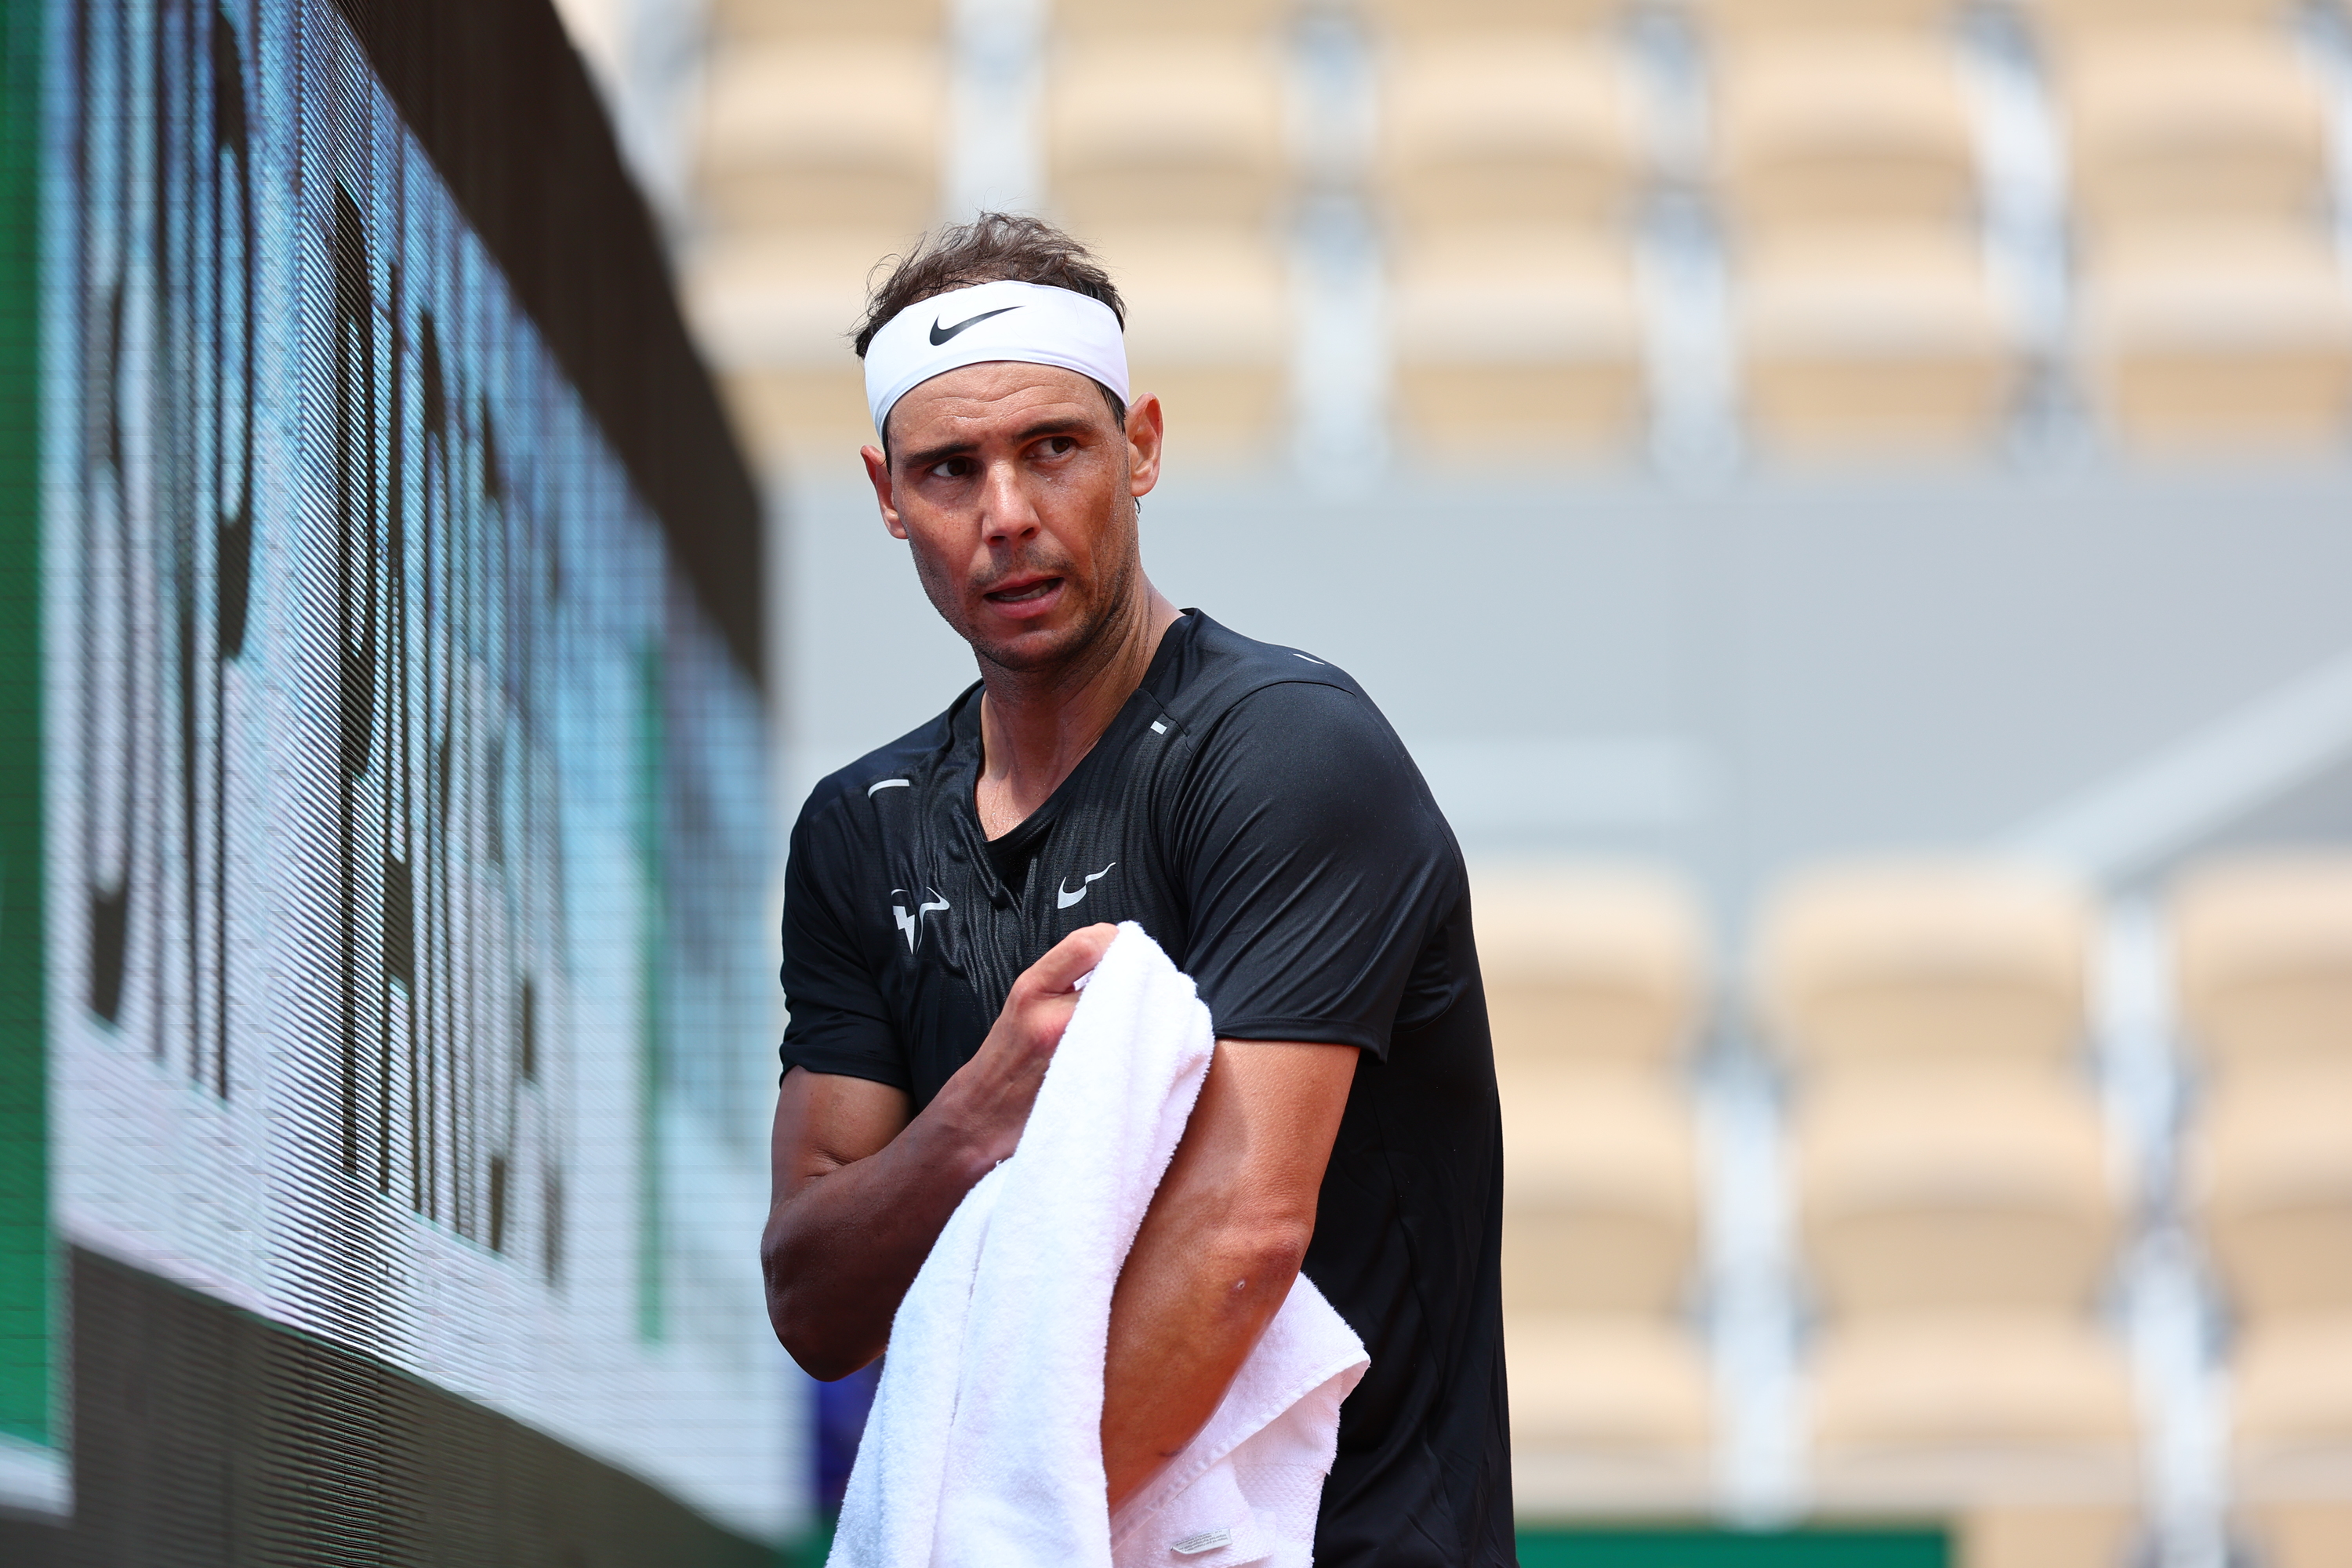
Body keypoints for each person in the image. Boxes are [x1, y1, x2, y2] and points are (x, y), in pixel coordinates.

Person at [763, 213, 1512, 1563]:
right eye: (949, 469)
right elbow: (816, 1300)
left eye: (1055, 448)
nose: (1007, 516)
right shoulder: (857, 833)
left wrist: (999, 1547)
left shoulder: (1288, 749)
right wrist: (976, 1116)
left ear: (1143, 447)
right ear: (886, 495)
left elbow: (1242, 1234)